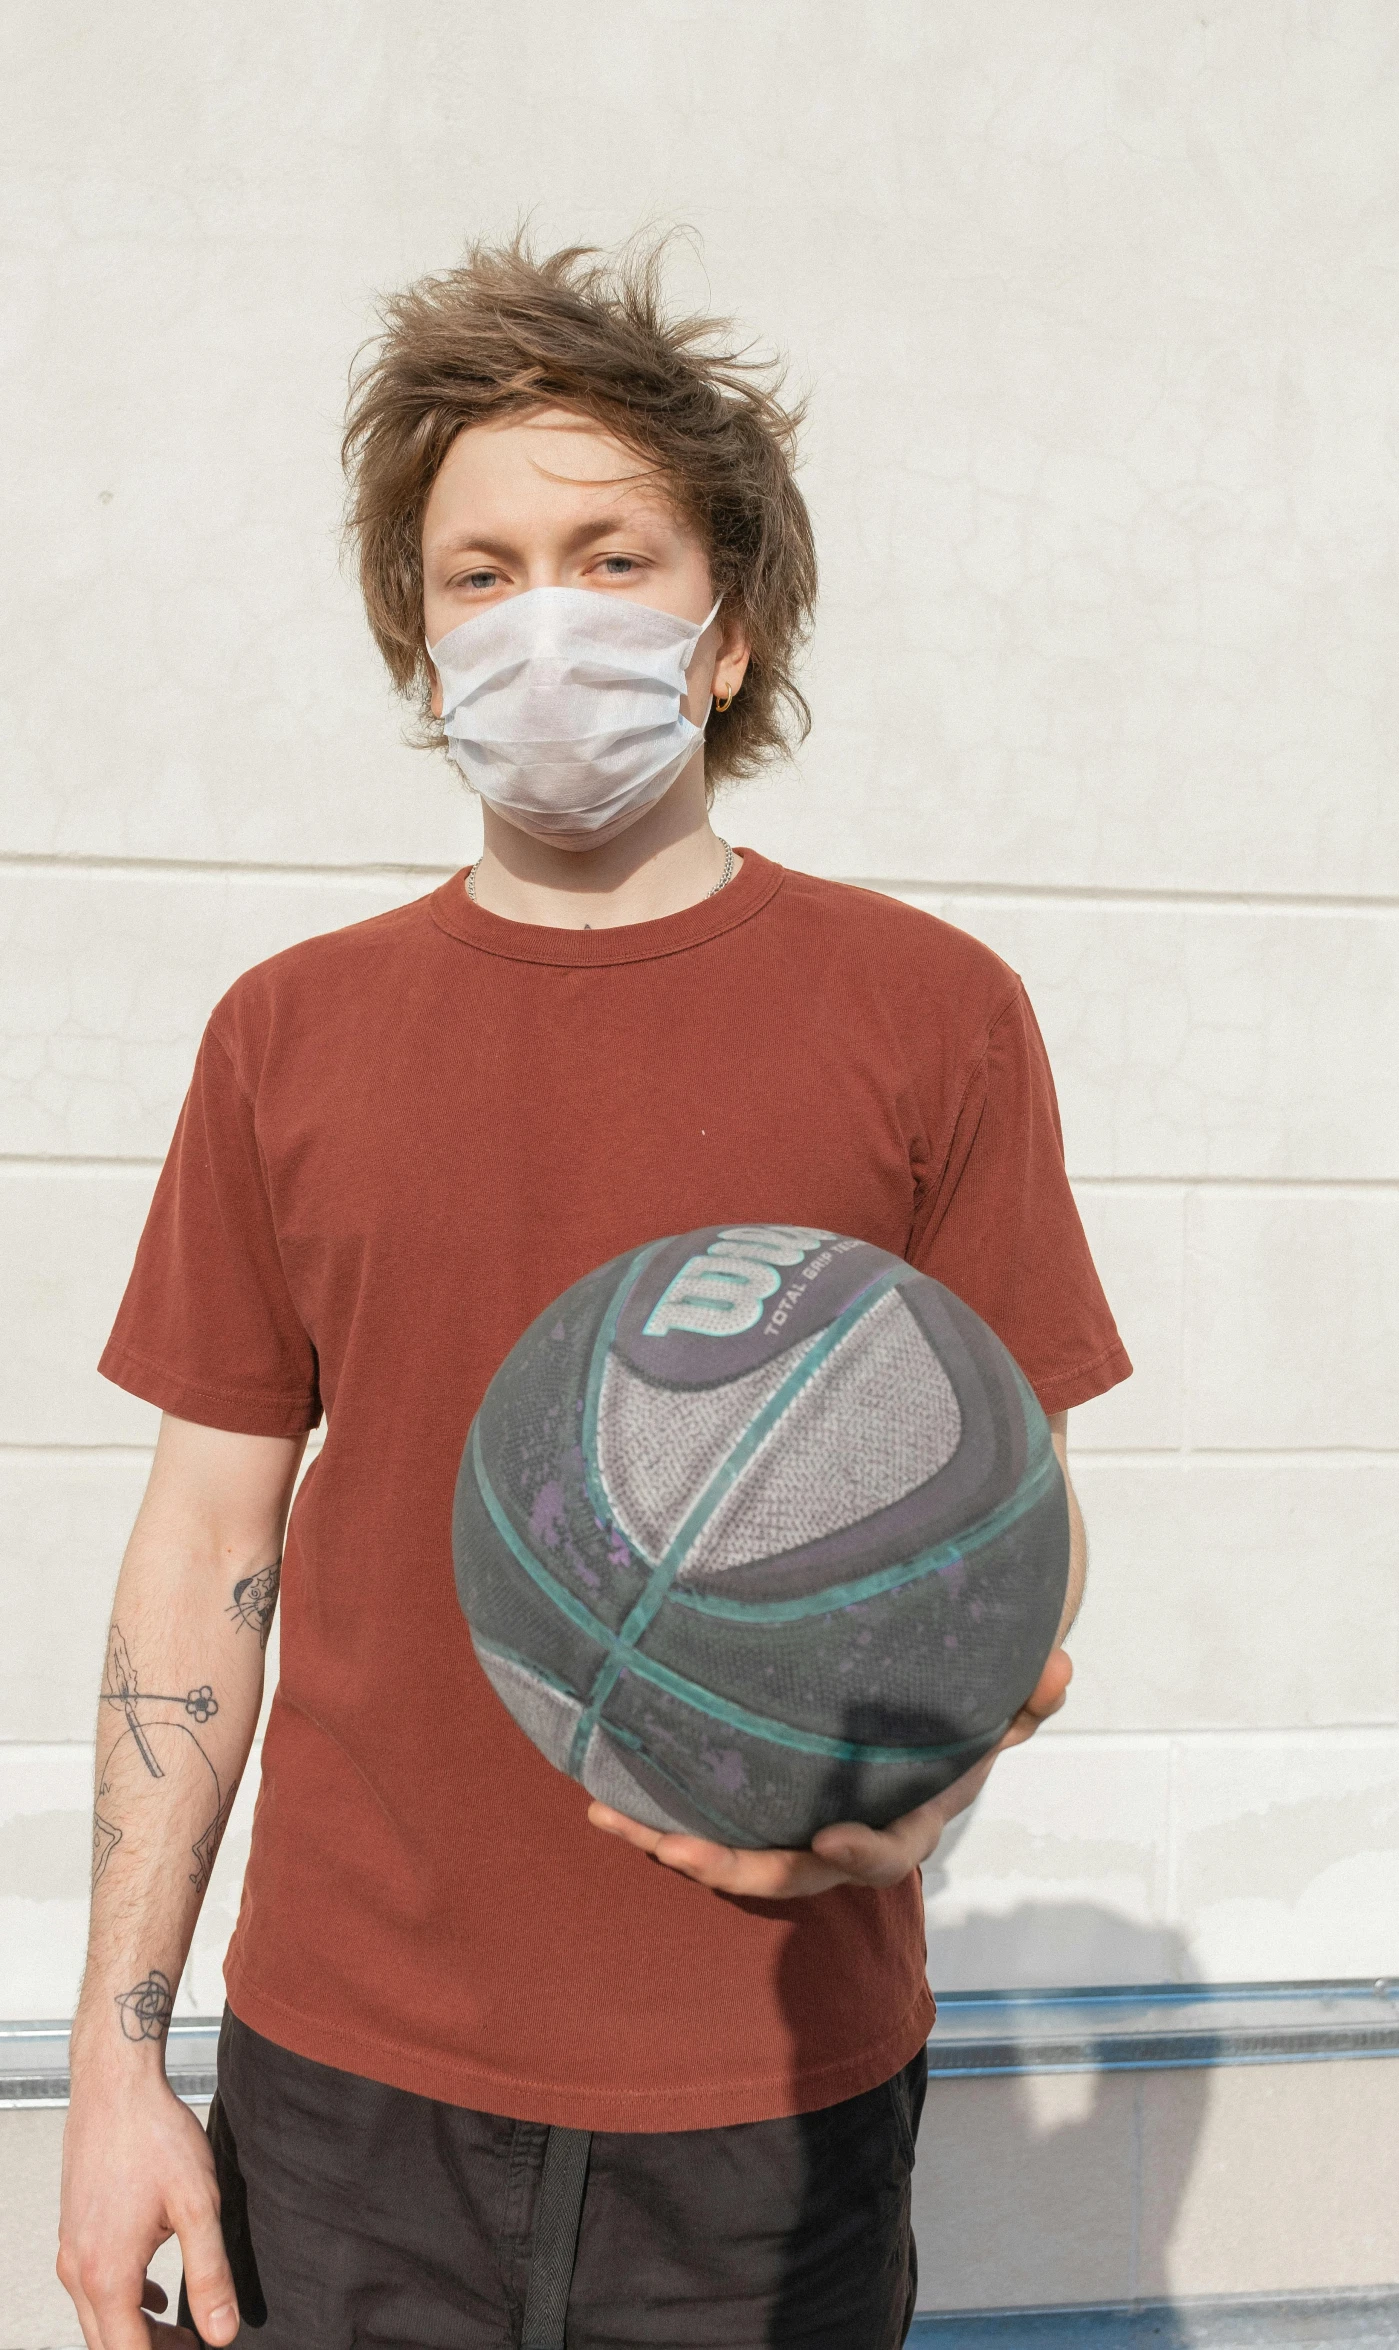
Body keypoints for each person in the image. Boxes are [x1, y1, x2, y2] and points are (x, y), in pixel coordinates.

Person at [57, 237, 1130, 2350]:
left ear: (726, 635)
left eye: (608, 552)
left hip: (768, 2087)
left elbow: (1005, 1530)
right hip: (345, 2079)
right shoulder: (288, 1030)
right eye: (480, 570)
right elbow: (204, 1544)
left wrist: (935, 1782)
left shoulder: (933, 1015)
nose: (540, 612)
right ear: (418, 633)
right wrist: (113, 2053)